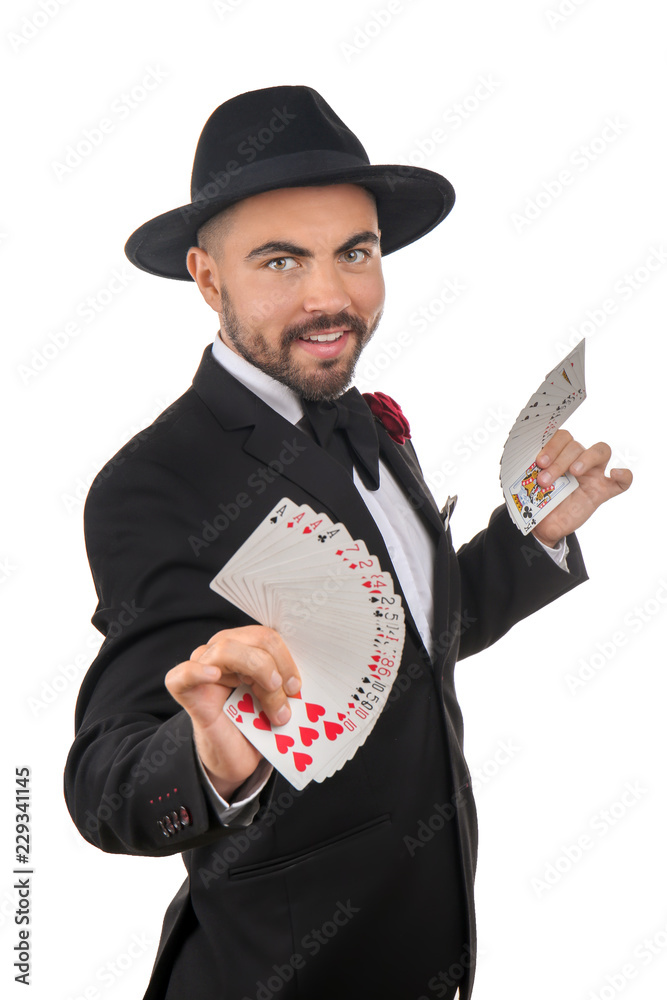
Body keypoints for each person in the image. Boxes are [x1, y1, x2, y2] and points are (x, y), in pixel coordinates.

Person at [64, 85, 632, 1000]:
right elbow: (104, 784)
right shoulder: (155, 484)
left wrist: (529, 540)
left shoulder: (368, 423)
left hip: (430, 950)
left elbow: (400, 636)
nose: (332, 297)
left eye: (355, 253)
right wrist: (211, 755)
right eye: (281, 260)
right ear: (208, 279)